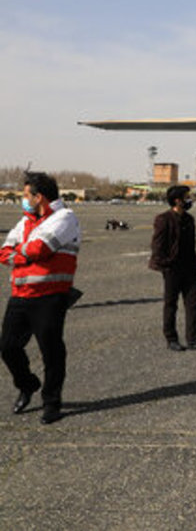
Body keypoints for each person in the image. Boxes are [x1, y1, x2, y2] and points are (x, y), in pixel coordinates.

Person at [0, 172, 80, 425]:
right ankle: (28, 384)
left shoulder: (65, 218)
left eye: (26, 196)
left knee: (51, 351)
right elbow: (4, 253)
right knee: (8, 347)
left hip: (49, 297)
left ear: (39, 197)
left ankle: (51, 402)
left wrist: (20, 252)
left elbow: (40, 248)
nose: (23, 200)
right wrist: (24, 253)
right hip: (20, 295)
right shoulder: (25, 222)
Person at [150, 185, 196, 351]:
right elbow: (158, 245)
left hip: (189, 268)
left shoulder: (189, 219)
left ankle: (194, 337)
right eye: (186, 197)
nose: (189, 200)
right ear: (177, 200)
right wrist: (164, 264)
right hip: (172, 268)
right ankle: (171, 338)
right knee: (171, 304)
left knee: (193, 303)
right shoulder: (164, 219)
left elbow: (191, 246)